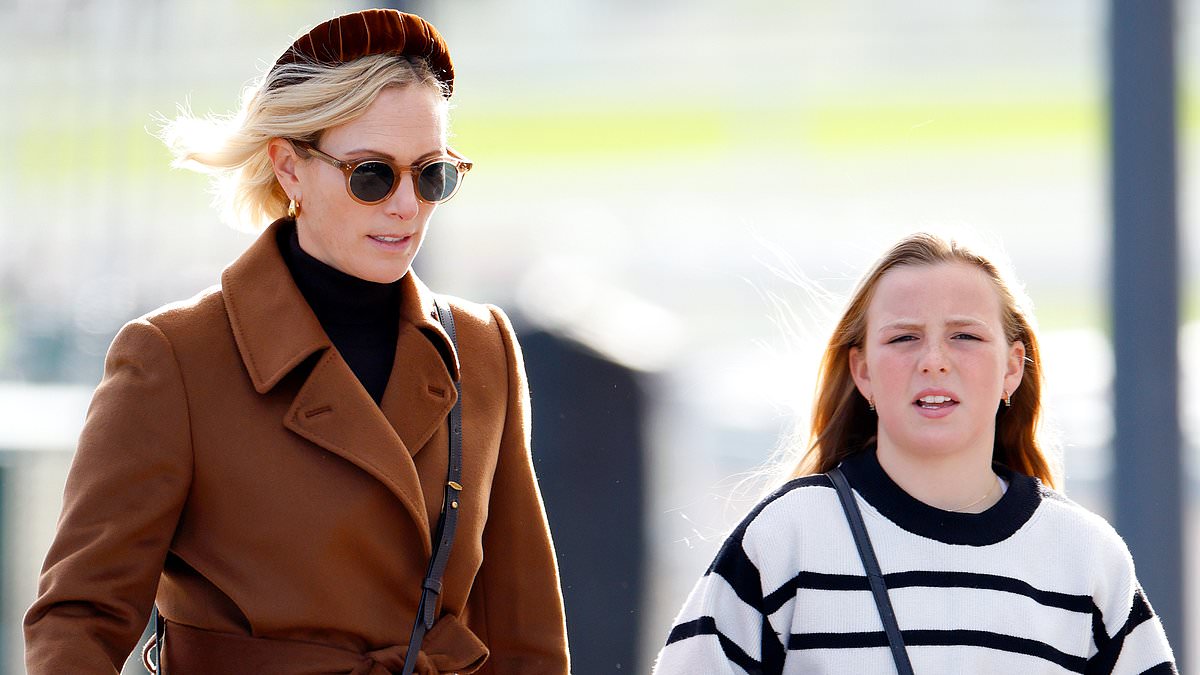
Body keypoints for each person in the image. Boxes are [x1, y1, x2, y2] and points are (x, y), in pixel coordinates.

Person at [24, 9, 569, 674]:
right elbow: (78, 619)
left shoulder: (483, 348)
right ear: (289, 167)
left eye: (432, 175)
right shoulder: (172, 358)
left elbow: (526, 633)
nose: (407, 205)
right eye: (372, 175)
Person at [654, 233, 1177, 674]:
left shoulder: (1086, 558)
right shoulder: (783, 539)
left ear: (1012, 368)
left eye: (965, 336)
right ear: (863, 372)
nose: (933, 361)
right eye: (904, 338)